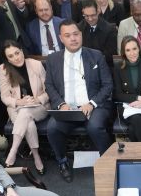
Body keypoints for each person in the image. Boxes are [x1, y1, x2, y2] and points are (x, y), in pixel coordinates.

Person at [45, 20, 114, 182]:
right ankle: (62, 162)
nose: (73, 39)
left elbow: (107, 85)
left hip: (94, 106)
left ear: (81, 35)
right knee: (53, 128)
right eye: (68, 36)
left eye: (76, 34)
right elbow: (49, 85)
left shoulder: (96, 55)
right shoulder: (53, 59)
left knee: (95, 127)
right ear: (61, 38)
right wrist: (61, 104)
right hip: (67, 108)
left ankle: (108, 160)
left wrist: (91, 103)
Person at [0, 41, 50, 170]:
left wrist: (37, 99)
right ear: (7, 59)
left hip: (39, 106)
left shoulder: (36, 64)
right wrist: (19, 102)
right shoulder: (3, 70)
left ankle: (13, 151)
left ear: (22, 50)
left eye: (17, 53)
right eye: (10, 56)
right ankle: (36, 156)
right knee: (28, 122)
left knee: (25, 113)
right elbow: (4, 97)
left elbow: (49, 90)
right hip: (17, 108)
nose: (16, 58)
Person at [112, 36, 141, 142]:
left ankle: (138, 156)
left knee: (134, 128)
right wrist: (138, 98)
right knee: (136, 119)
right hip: (127, 107)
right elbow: (118, 94)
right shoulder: (118, 67)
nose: (132, 53)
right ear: (123, 52)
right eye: (128, 50)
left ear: (139, 49)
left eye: (134, 49)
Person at [78, 0, 118, 67]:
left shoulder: (110, 29)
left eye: (93, 15)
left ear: (98, 11)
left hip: (104, 66)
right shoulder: (78, 28)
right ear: (82, 12)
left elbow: (110, 55)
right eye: (86, 16)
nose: (90, 19)